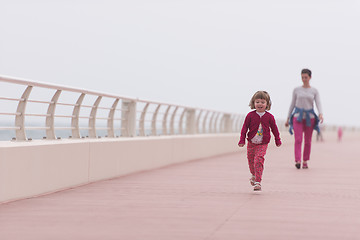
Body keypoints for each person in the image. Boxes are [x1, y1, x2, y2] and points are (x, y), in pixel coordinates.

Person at [238, 91, 282, 191]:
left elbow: (274, 129)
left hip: (263, 143)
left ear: (267, 104)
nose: (260, 104)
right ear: (253, 103)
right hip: (251, 143)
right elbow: (244, 128)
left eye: (262, 102)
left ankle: (258, 181)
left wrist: (277, 140)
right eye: (257, 102)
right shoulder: (250, 115)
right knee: (251, 160)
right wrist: (242, 140)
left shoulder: (269, 117)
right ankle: (253, 174)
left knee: (259, 159)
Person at [285, 69, 324, 169]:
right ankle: (297, 160)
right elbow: (292, 104)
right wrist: (288, 117)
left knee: (307, 141)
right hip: (297, 117)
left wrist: (320, 114)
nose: (304, 79)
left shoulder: (314, 91)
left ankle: (305, 160)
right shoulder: (296, 90)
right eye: (302, 77)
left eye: (306, 77)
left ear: (310, 77)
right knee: (298, 139)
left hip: (309, 118)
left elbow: (318, 103)